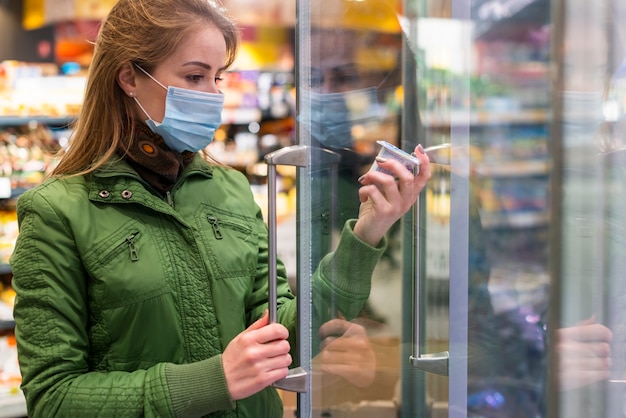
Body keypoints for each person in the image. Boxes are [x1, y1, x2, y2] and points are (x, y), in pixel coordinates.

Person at [8, 1, 431, 417]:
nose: (213, 95)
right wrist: (215, 380)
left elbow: (286, 332)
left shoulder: (230, 189)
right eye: (195, 76)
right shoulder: (55, 212)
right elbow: (54, 397)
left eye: (218, 78)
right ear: (128, 78)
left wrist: (369, 230)